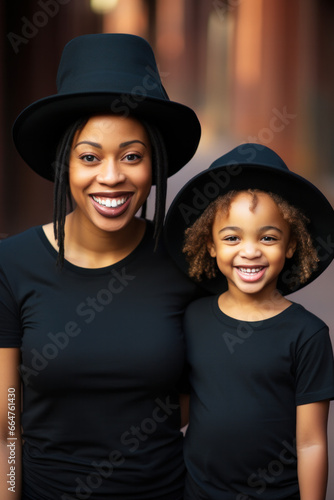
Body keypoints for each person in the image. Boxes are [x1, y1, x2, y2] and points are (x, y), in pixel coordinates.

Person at [0, 33, 203, 500]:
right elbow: (8, 426)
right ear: (63, 165)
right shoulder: (11, 267)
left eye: (132, 156)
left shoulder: (186, 265)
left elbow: (199, 405)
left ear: (155, 165)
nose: (111, 176)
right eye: (89, 157)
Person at [164, 143, 334, 500]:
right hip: (197, 493)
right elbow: (177, 411)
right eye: (232, 237)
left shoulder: (308, 334)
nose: (250, 250)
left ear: (291, 245)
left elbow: (311, 443)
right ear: (210, 244)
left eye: (268, 237)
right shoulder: (192, 319)